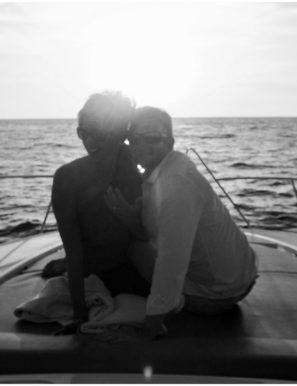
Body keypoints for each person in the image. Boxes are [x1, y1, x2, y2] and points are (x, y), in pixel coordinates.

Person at [101, 106, 258, 342]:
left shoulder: (176, 184)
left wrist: (151, 325)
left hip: (218, 295)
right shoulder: (165, 170)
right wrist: (130, 217)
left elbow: (171, 260)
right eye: (134, 140)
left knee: (130, 249)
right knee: (135, 242)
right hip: (238, 277)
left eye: (152, 138)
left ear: (170, 142)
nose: (141, 146)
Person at [46, 90, 150, 331]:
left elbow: (145, 233)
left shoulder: (133, 168)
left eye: (99, 132)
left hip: (128, 264)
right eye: (83, 132)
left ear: (118, 133)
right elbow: (74, 251)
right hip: (94, 271)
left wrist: (128, 218)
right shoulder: (68, 178)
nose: (90, 141)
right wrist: (80, 317)